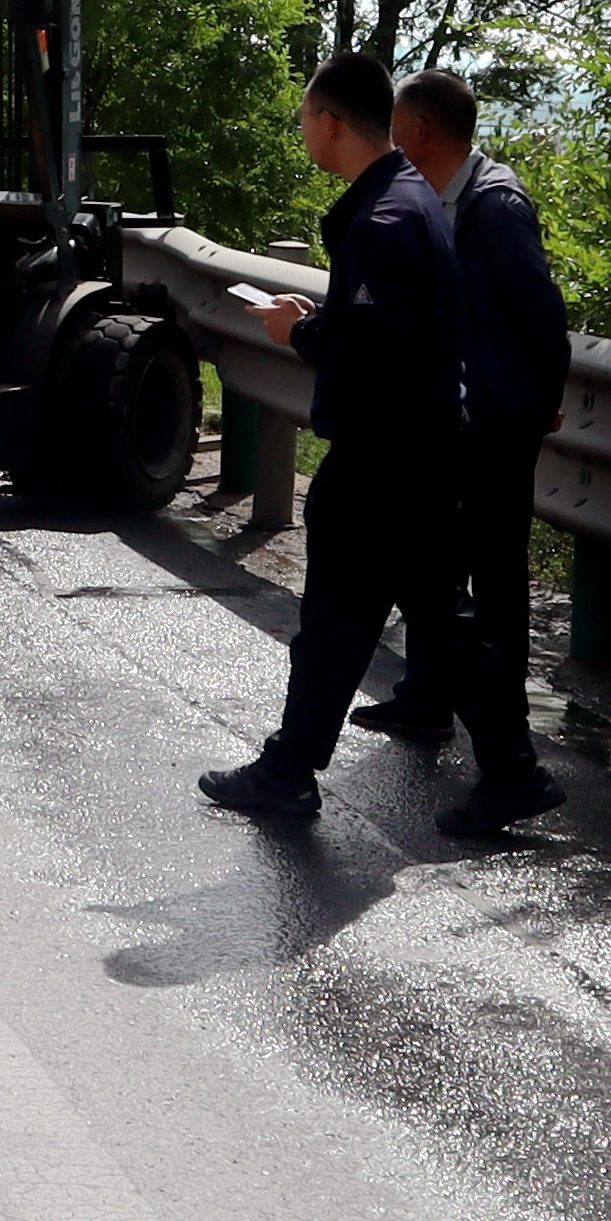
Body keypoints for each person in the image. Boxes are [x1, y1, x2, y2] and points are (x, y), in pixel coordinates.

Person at [195, 50, 561, 837]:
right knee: (407, 618)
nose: (303, 131)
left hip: (385, 456)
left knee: (369, 619)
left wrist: (302, 332)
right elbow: (390, 326)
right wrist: (325, 323)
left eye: (303, 118)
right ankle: (501, 771)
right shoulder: (409, 194)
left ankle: (298, 772)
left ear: (328, 122)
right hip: (417, 448)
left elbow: (377, 345)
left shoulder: (385, 218)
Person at [355, 66, 570, 746]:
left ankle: (502, 741)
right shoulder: (434, 197)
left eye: (393, 125)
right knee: (433, 563)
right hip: (450, 415)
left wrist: (538, 406)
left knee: (495, 576)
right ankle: (426, 698)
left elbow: (541, 317)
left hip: (498, 421)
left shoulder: (495, 206)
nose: (387, 138)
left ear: (418, 129)